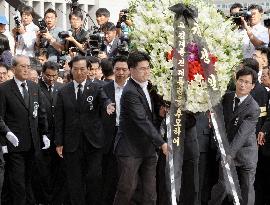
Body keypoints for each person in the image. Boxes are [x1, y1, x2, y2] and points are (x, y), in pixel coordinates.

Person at [54, 55, 115, 205]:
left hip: (93, 142)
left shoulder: (96, 87)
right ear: (71, 70)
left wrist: (108, 105)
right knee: (75, 181)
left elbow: (104, 99)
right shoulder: (63, 91)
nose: (79, 72)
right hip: (72, 143)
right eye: (76, 69)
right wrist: (59, 142)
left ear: (88, 70)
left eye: (82, 69)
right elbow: (59, 119)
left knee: (94, 178)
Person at [113, 51, 169, 205]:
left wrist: (160, 112)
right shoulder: (129, 91)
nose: (147, 71)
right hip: (130, 149)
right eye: (142, 68)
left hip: (148, 149)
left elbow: (151, 114)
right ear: (131, 70)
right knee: (127, 189)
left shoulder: (150, 86)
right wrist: (162, 143)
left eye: (148, 68)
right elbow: (142, 120)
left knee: (150, 193)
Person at [0, 55, 49, 205]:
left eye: (28, 66)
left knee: (29, 181)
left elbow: (41, 112)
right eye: (22, 66)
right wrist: (7, 132)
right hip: (15, 145)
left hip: (33, 144)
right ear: (14, 69)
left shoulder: (34, 87)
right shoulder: (4, 89)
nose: (26, 69)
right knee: (18, 183)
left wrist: (45, 133)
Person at [209, 67, 260, 205]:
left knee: (247, 188)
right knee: (223, 186)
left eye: (247, 82)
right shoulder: (227, 97)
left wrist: (229, 155)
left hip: (245, 153)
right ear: (236, 81)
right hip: (227, 149)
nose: (243, 85)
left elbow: (242, 134)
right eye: (240, 80)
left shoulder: (254, 108)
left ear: (253, 86)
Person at [101, 55, 130, 205]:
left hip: (129, 137)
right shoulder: (104, 89)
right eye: (117, 69)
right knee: (110, 175)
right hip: (110, 137)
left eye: (124, 69)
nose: (120, 73)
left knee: (127, 175)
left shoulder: (135, 88)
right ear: (113, 69)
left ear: (129, 71)